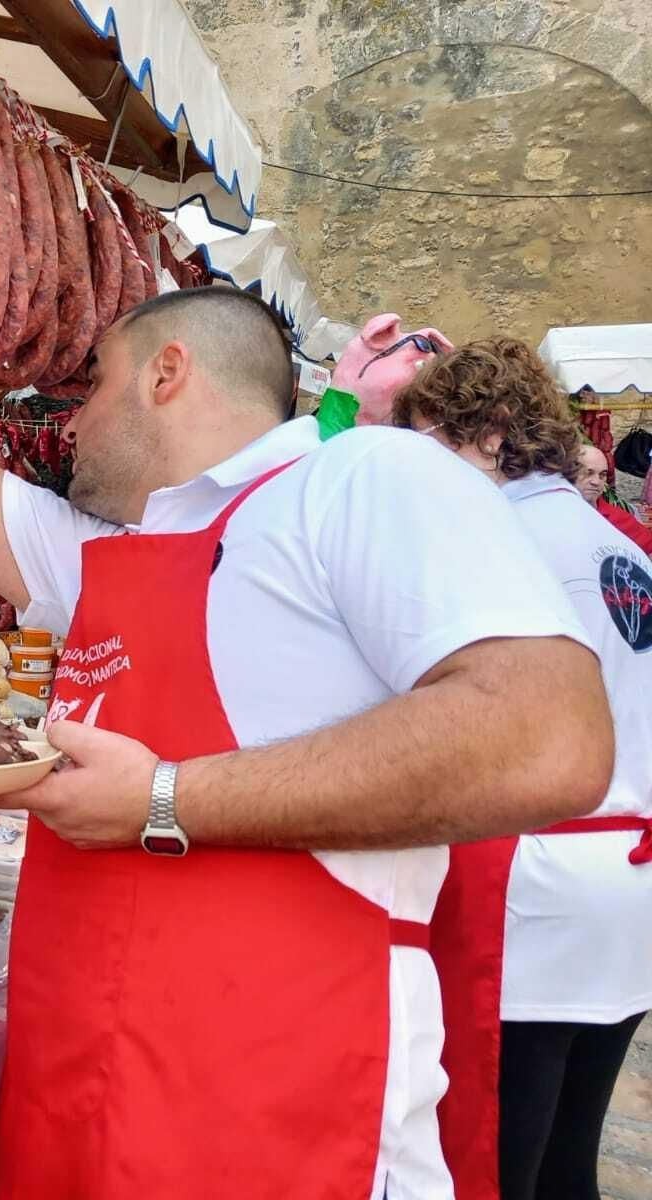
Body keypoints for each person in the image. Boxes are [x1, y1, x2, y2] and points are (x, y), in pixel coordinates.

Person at [0, 238, 613, 1199]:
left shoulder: (359, 481)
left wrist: (164, 799)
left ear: (167, 374)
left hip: (277, 1113)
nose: (70, 424)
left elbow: (547, 738)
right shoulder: (110, 553)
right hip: (84, 1100)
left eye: (91, 386)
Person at [395, 340, 652, 1200]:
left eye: (435, 444)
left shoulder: (503, 538)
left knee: (496, 1157)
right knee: (571, 1154)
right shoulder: (615, 543)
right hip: (624, 882)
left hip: (536, 887)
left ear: (494, 432)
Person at [574, 443, 652, 556]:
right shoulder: (549, 512)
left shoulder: (617, 517)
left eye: (602, 475)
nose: (596, 482)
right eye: (588, 473)